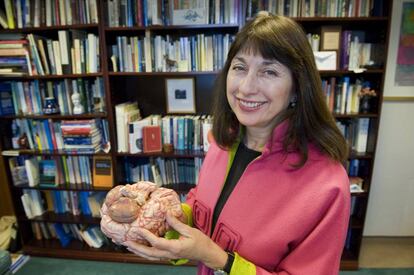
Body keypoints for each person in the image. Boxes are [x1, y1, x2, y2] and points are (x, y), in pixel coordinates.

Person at [124, 12, 350, 275]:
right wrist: (165, 216)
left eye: (269, 71)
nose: (245, 87)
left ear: (297, 88)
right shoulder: (222, 142)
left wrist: (217, 258)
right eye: (240, 67)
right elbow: (203, 206)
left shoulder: (327, 186)